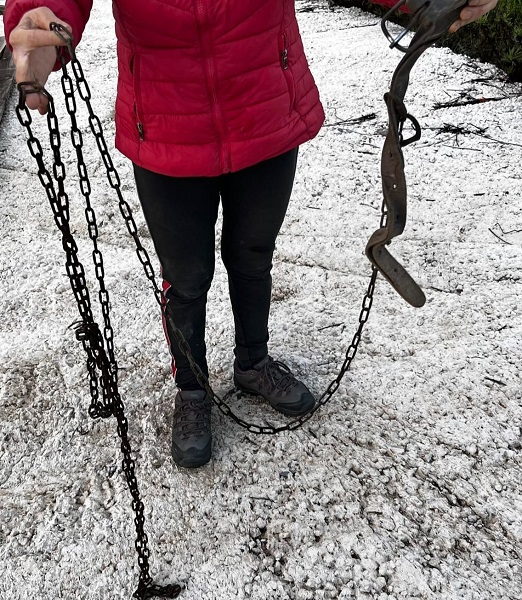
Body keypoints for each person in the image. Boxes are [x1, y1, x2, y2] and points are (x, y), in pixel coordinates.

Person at [4, 0, 498, 469]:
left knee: (253, 254)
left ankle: (252, 363)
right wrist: (38, 25)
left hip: (264, 113)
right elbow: (51, 6)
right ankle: (192, 389)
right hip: (167, 123)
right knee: (187, 275)